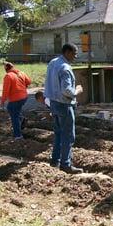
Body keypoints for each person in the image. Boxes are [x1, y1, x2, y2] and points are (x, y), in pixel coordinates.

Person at [44, 43, 84, 174]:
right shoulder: (65, 68)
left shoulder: (53, 62)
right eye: (74, 53)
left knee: (58, 134)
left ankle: (55, 160)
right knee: (68, 135)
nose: (75, 56)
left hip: (54, 103)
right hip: (64, 105)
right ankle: (65, 164)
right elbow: (67, 90)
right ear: (67, 52)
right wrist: (77, 90)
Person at [0, 62, 31, 141]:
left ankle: (18, 136)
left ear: (6, 69)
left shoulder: (8, 76)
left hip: (16, 99)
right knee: (10, 109)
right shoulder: (21, 73)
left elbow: (5, 90)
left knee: (14, 116)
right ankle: (22, 119)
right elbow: (29, 82)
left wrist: (2, 101)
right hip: (24, 97)